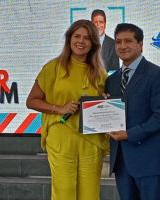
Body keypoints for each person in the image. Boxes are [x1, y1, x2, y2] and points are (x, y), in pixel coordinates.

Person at [26, 19, 109, 200]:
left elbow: (105, 106)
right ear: (69, 39)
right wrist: (60, 108)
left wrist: (104, 103)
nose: (81, 41)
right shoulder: (53, 68)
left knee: (90, 194)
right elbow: (31, 101)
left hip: (91, 140)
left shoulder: (100, 72)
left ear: (94, 43)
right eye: (77, 36)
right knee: (64, 193)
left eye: (87, 38)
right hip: (61, 136)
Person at [104, 23, 160, 200]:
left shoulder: (157, 75)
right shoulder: (111, 80)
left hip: (148, 161)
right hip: (121, 162)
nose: (122, 46)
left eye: (128, 41)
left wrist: (129, 134)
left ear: (140, 44)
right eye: (118, 42)